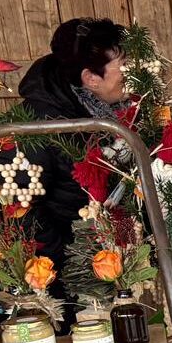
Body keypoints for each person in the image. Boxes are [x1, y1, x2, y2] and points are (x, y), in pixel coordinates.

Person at [17, 17, 129, 280]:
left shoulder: (119, 106)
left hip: (116, 255)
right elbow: (23, 210)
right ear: (91, 78)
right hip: (73, 270)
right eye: (124, 66)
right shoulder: (39, 124)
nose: (134, 72)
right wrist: (73, 260)